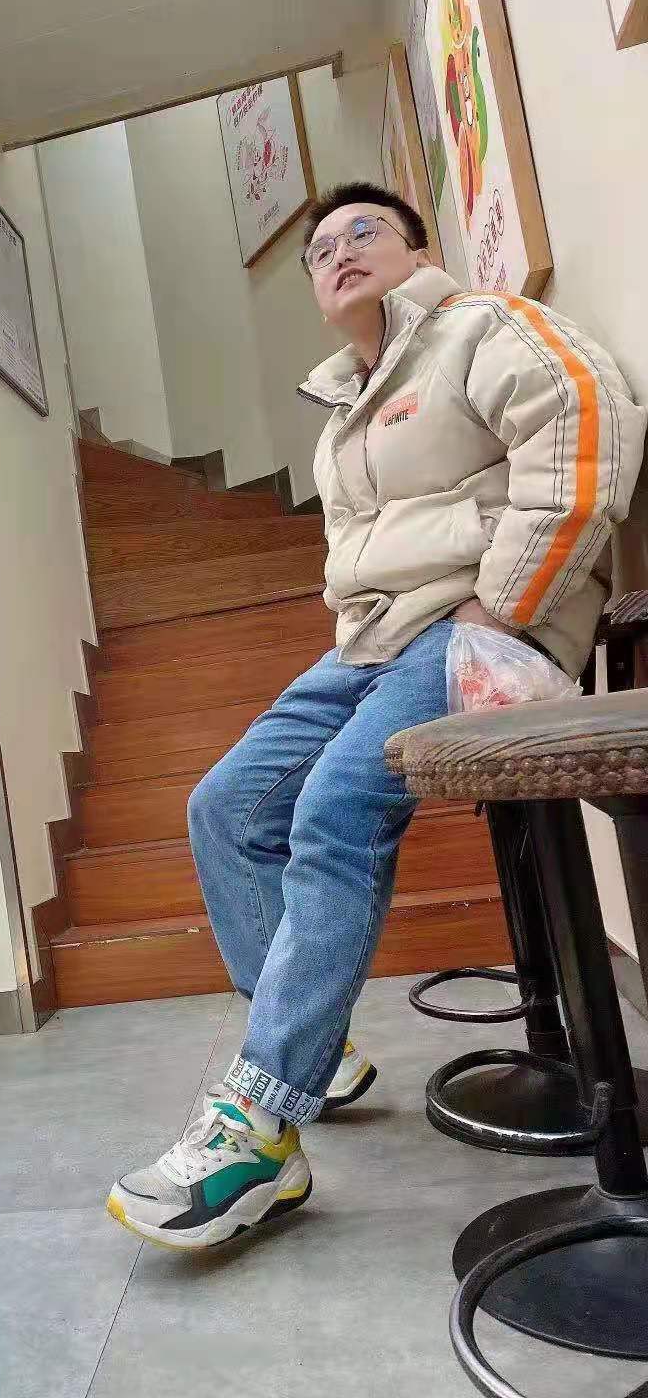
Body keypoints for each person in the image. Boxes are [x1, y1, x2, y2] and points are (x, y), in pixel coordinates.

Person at [107, 181, 647, 1251]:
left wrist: (503, 607)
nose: (340, 252)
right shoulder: (343, 412)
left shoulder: (483, 326)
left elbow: (586, 423)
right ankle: (310, 1037)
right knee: (225, 807)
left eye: (366, 232)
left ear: (418, 253)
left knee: (334, 811)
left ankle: (262, 1123)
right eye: (319, 249)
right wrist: (359, 632)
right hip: (373, 643)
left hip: (478, 625)